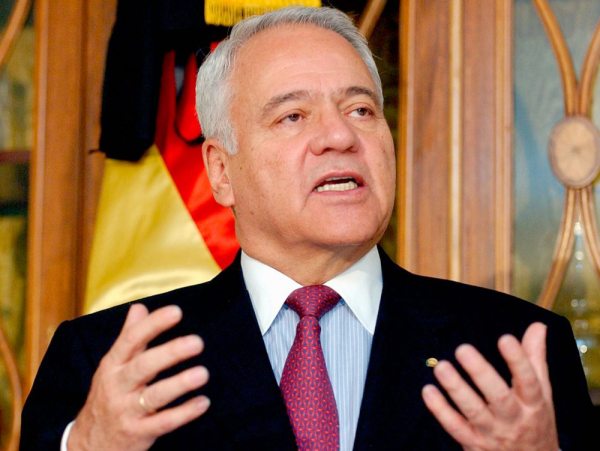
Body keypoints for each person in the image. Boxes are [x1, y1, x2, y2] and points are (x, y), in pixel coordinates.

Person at [21, 6, 594, 451]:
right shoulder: (104, 363)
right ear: (221, 171)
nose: (340, 136)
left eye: (361, 110)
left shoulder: (516, 354)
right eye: (293, 115)